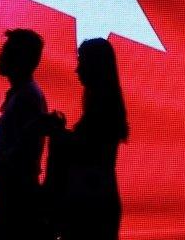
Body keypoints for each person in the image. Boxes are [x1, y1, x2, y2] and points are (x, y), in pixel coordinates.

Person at [44, 38, 129, 240]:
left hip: (90, 206)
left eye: (82, 62)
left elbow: (88, 151)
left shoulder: (102, 106)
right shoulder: (105, 104)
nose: (77, 69)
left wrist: (58, 133)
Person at [0, 29, 50, 240]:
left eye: (8, 51)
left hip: (15, 201)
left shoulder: (26, 98)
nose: (1, 56)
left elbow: (24, 151)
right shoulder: (22, 96)